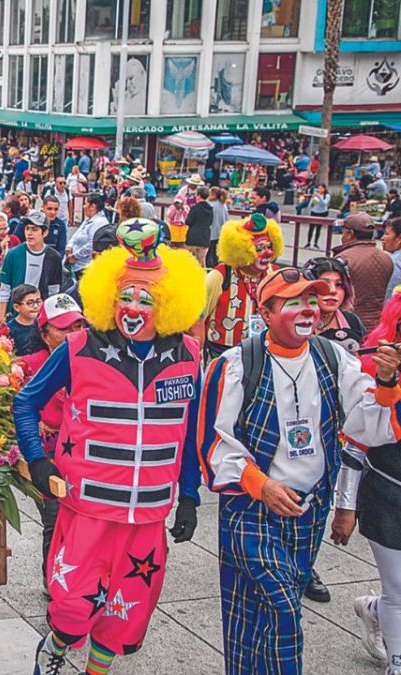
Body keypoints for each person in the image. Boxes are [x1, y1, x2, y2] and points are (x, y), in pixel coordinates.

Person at [16, 219, 205, 675]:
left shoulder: (190, 356)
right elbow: (26, 402)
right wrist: (38, 462)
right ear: (108, 297)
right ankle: (56, 649)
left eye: (148, 298)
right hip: (88, 510)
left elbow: (190, 431)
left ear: (169, 304)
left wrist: (190, 497)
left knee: (125, 617)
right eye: (126, 295)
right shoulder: (80, 347)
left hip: (147, 517)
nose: (134, 307)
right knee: (72, 608)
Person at [199, 268, 401, 674]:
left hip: (308, 513)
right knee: (283, 613)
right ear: (267, 312)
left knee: (258, 613)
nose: (307, 310)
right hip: (252, 511)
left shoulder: (335, 359)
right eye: (294, 302)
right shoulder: (235, 365)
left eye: (312, 301)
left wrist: (386, 382)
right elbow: (212, 442)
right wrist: (260, 483)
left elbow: (369, 426)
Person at [336, 291, 401, 668]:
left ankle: (373, 608)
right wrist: (345, 507)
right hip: (388, 494)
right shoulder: (374, 370)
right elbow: (358, 444)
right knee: (398, 590)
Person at [13, 294, 87, 586]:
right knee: (55, 522)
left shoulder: (92, 359)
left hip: (85, 463)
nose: (74, 333)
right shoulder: (28, 365)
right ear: (44, 334)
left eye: (79, 325)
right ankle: (53, 581)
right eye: (65, 328)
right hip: (50, 463)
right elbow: (17, 402)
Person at [203, 214, 283, 359]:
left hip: (264, 350)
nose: (268, 253)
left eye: (269, 246)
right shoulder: (219, 276)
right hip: (222, 352)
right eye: (259, 248)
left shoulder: (275, 275)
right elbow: (198, 318)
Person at [0, 216, 63, 321]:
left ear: (45, 233)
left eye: (35, 229)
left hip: (40, 315)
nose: (29, 233)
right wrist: (2, 318)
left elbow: (53, 291)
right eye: (27, 228)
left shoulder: (54, 257)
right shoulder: (13, 254)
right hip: (15, 314)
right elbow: (4, 289)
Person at [335, 212, 393, 332]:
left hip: (349, 324)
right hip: (377, 324)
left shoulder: (343, 259)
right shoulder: (386, 258)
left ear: (350, 234)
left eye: (343, 232)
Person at [305, 257, 366, 353]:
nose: (333, 291)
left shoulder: (352, 321)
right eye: (324, 284)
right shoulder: (296, 321)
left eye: (339, 285)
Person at [66, 194, 109, 274]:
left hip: (85, 266)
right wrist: (69, 246)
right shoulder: (88, 219)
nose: (83, 206)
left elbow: (91, 245)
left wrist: (75, 256)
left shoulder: (99, 222)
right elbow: (76, 234)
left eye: (85, 203)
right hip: (76, 263)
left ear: (93, 206)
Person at [6, 285, 42, 356]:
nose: (35, 306)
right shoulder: (9, 329)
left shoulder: (42, 324)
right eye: (30, 303)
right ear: (16, 307)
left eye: (38, 301)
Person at [184, 186, 213, 265]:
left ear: (199, 196)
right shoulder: (210, 209)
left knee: (190, 261)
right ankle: (202, 276)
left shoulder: (195, 208)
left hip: (193, 237)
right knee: (202, 261)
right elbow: (210, 222)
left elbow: (188, 221)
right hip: (205, 237)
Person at [305, 185, 332, 249]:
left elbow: (324, 203)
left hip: (322, 213)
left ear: (324, 189)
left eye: (321, 188)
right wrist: (313, 199)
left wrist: (319, 197)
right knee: (311, 228)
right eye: (319, 188)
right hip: (314, 212)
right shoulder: (315, 195)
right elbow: (310, 205)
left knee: (318, 228)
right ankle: (308, 242)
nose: (319, 189)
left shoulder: (327, 196)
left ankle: (316, 243)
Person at [384, 218, 401, 297]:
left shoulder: (392, 262)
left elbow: (389, 295)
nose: (383, 238)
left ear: (399, 238)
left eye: (387, 234)